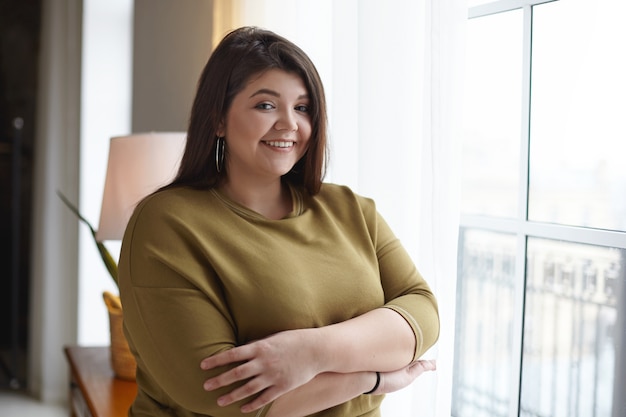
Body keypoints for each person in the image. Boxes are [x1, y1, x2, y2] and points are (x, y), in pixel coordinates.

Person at [118, 26, 439, 417]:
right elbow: (225, 396)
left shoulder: (351, 209)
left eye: (303, 108)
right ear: (218, 118)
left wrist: (310, 353)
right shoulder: (166, 224)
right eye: (266, 105)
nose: (289, 124)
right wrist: (374, 379)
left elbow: (422, 312)